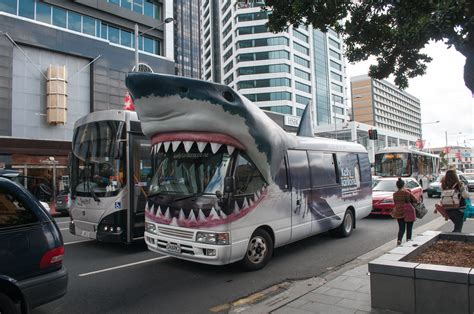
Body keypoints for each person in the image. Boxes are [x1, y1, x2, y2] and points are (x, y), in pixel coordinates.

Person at [392, 178, 418, 245]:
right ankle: (408, 241)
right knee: (409, 229)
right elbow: (415, 200)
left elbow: (395, 203)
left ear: (397, 186)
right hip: (408, 212)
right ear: (404, 185)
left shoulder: (395, 194)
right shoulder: (407, 192)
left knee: (401, 228)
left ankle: (399, 240)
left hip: (399, 212)